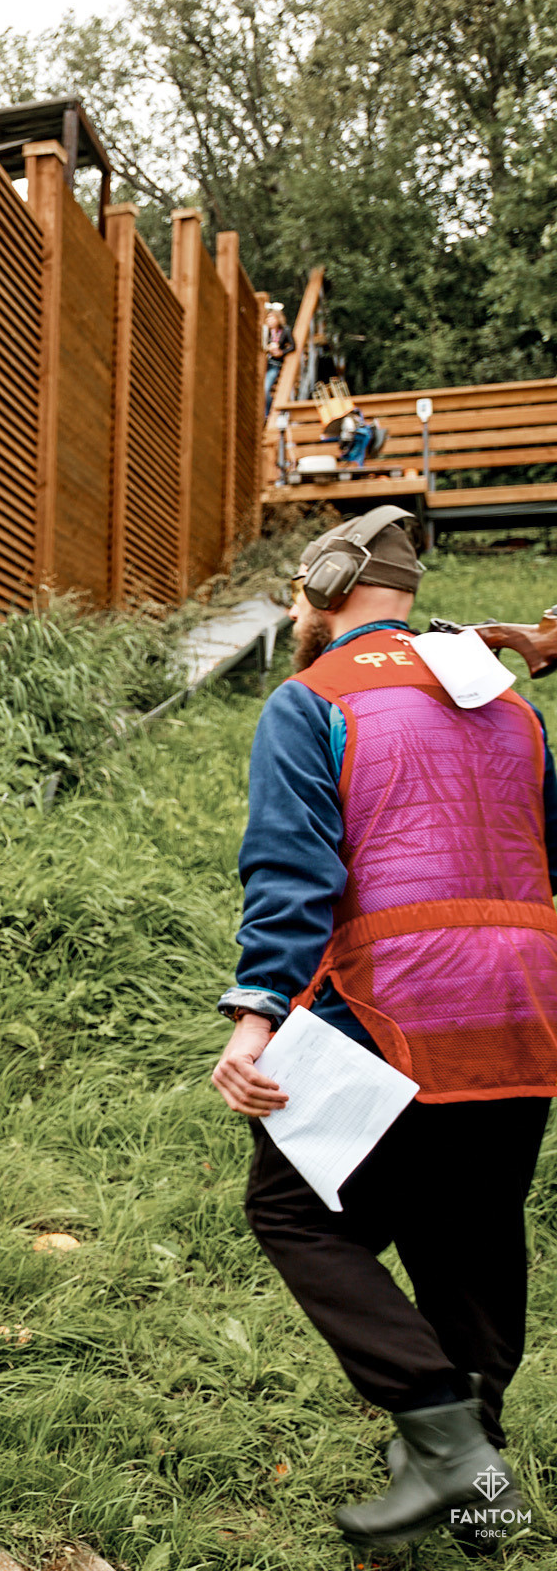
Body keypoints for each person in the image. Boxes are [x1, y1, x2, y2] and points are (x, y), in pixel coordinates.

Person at [213, 506, 554, 1552]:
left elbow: (293, 874)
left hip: (390, 1009)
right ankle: (482, 1491)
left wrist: (255, 1014)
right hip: (526, 1010)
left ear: (322, 590)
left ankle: (444, 1435)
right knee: (472, 1234)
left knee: (297, 1212)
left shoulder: (309, 698)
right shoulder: (515, 711)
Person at [262, 303, 291, 408]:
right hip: (264, 363)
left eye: (272, 318)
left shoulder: (285, 330)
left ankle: (267, 413)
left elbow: (293, 346)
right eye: (268, 318)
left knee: (265, 388)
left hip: (275, 364)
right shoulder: (266, 331)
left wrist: (281, 352)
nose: (269, 320)